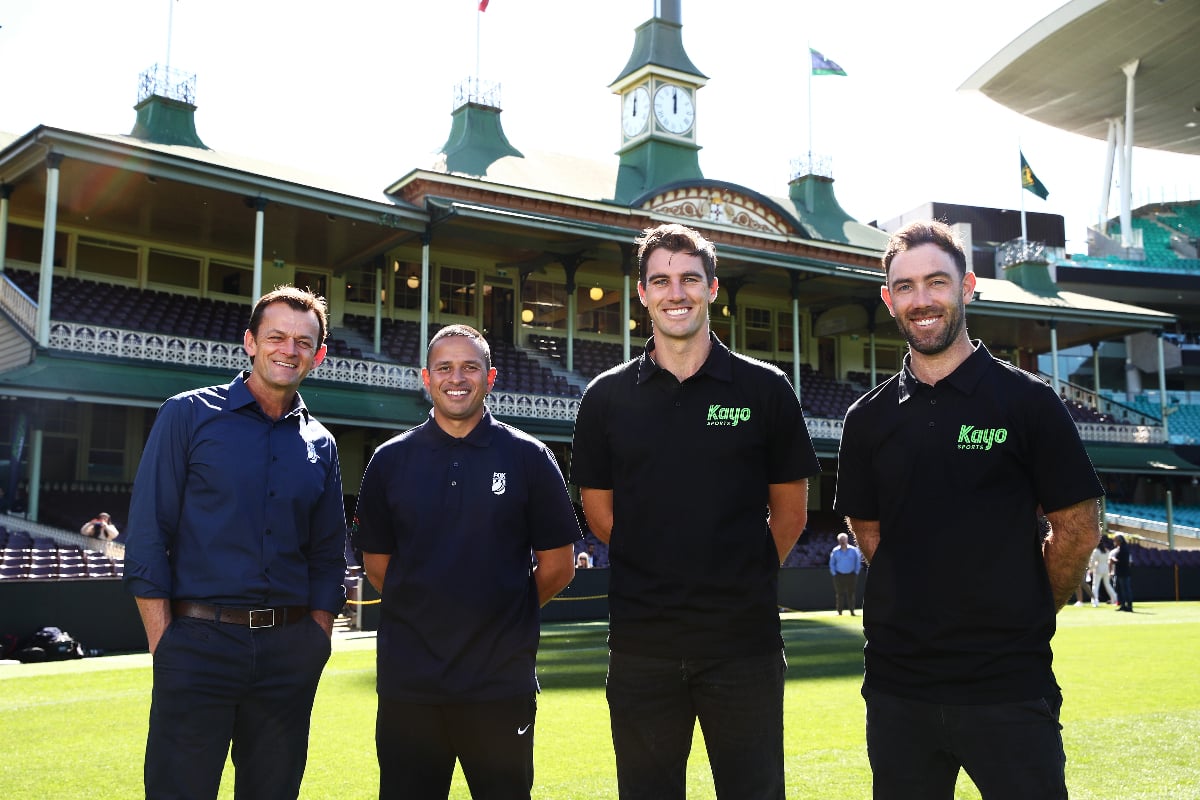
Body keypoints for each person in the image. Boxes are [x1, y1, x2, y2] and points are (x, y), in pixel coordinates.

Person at [834, 220, 1103, 800]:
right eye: (904, 287)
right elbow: (869, 532)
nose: (922, 299)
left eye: (936, 282)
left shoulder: (1029, 402)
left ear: (968, 286)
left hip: (1007, 685)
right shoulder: (867, 419)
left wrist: (1030, 606)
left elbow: (1078, 528)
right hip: (898, 690)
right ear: (888, 299)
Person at [571, 222, 819, 800]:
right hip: (642, 646)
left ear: (712, 287)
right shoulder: (606, 397)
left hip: (744, 646)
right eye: (660, 280)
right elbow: (600, 513)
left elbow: (790, 515)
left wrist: (737, 578)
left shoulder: (766, 389)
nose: (674, 292)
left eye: (688, 278)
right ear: (642, 293)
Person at [123, 286, 346, 800]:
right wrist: (165, 643)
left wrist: (316, 637)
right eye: (276, 337)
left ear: (319, 354)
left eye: (303, 341)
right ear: (250, 341)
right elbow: (149, 532)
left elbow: (327, 553)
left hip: (288, 651)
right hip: (197, 643)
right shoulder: (187, 415)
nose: (288, 350)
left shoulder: (322, 444)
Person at [351, 324, 580, 800]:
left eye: (470, 367)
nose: (458, 378)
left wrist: (505, 609)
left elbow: (559, 565)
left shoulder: (530, 458)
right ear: (426, 378)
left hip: (500, 684)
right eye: (445, 368)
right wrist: (428, 611)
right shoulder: (389, 461)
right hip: (410, 685)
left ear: (491, 377)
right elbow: (377, 567)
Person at [829, 532, 862, 615]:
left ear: (847, 540)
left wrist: (856, 572)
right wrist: (834, 573)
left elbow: (857, 562)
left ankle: (852, 611)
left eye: (844, 539)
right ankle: (839, 611)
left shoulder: (854, 550)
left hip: (851, 575)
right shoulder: (835, 551)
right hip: (839, 575)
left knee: (851, 593)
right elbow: (832, 563)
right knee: (839, 593)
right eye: (841, 540)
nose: (842, 541)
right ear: (838, 541)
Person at [1090, 536, 1118, 607]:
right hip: (1106, 570)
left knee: (1095, 586)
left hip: (1098, 569)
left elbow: (1092, 562)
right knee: (1108, 585)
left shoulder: (1096, 551)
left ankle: (1095, 601)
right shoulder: (1106, 550)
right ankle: (1115, 599)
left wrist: (1090, 569)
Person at [1109, 533, 1134, 612]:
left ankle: (1129, 606)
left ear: (1119, 541)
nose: (1114, 541)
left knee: (1125, 590)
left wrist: (1113, 559)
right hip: (1120, 572)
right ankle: (1123, 605)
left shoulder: (1123, 549)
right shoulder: (1121, 548)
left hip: (1123, 573)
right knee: (1120, 590)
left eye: (1116, 540)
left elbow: (1122, 561)